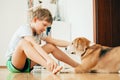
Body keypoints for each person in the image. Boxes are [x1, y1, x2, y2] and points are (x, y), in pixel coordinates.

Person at [6, 8, 79, 74]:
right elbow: (34, 44)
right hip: (14, 63)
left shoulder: (39, 33)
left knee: (50, 46)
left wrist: (73, 44)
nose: (45, 29)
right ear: (35, 20)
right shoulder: (25, 28)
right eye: (44, 25)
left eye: (47, 27)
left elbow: (55, 41)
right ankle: (50, 67)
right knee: (24, 42)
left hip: (28, 63)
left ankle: (78, 66)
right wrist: (48, 59)